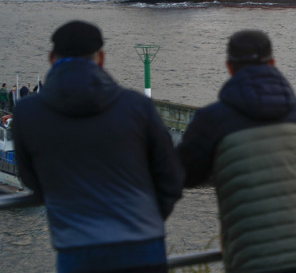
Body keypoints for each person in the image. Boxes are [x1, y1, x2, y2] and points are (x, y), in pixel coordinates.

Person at [13, 20, 184, 273]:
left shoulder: (26, 113)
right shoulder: (137, 106)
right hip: (143, 247)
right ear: (101, 58)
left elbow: (30, 179)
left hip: (77, 248)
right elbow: (171, 175)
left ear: (51, 58)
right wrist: (149, 220)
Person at [177, 30, 296, 273]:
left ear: (229, 67)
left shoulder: (213, 118)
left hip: (252, 256)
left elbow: (185, 173)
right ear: (273, 63)